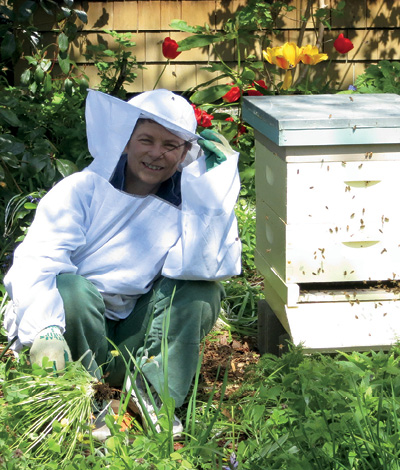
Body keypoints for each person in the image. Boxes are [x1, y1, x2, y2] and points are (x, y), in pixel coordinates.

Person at [3, 88, 241, 438]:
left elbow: (208, 266)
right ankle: (82, 394)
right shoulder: (81, 190)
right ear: (126, 140)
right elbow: (38, 259)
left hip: (132, 340)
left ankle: (153, 393)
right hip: (75, 331)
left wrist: (213, 194)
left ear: (184, 153)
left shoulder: (190, 205)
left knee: (200, 291)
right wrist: (45, 330)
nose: (156, 153)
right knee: (70, 287)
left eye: (171, 144)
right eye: (146, 139)